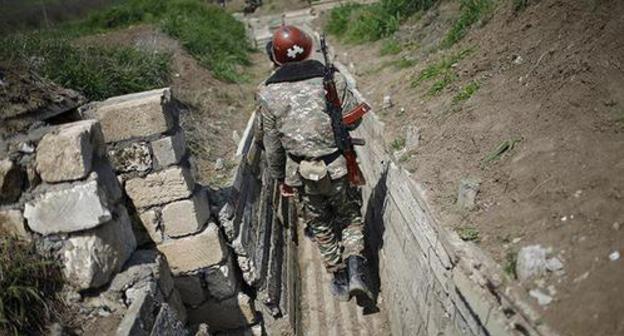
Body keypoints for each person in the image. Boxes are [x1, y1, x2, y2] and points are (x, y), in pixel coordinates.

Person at [254, 25, 373, 303]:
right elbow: (353, 119)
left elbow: (272, 145)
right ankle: (356, 266)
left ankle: (340, 278)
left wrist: (280, 178)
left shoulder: (267, 93)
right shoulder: (330, 78)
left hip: (300, 173)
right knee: (350, 217)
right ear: (308, 48)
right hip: (338, 166)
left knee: (319, 223)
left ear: (276, 57)